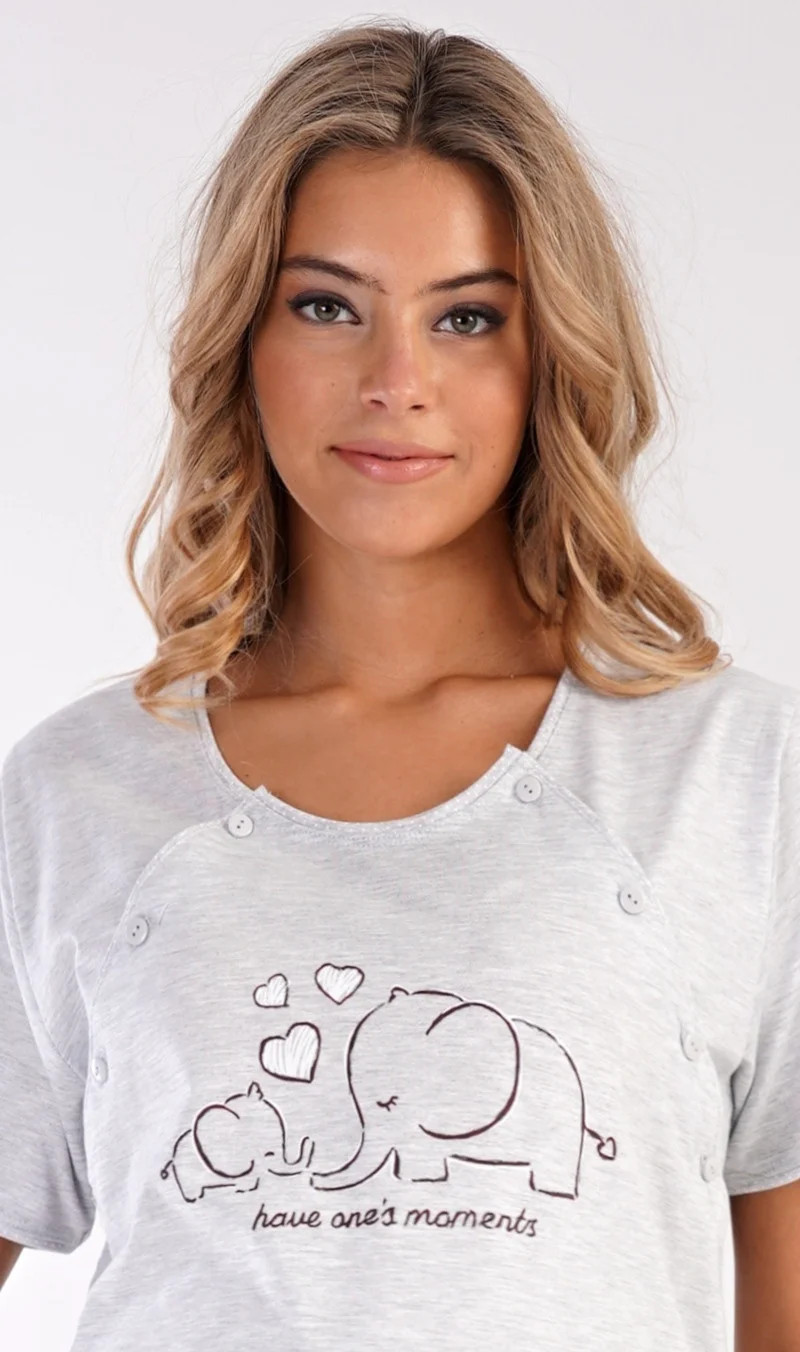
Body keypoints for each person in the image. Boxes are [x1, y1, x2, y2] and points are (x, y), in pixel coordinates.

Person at [1, 17, 798, 1352]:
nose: (397, 383)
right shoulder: (76, 792)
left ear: (552, 354)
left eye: (468, 318)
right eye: (327, 306)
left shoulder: (733, 773)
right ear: (242, 338)